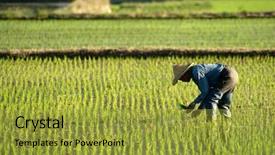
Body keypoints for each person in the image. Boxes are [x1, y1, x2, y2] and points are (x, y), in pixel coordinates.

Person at [172, 63, 239, 121]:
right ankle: (228, 123)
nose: (181, 80)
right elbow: (207, 94)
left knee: (212, 100)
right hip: (233, 74)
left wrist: (194, 103)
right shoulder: (196, 71)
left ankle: (211, 125)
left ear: (184, 73)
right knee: (223, 105)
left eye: (180, 78)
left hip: (226, 75)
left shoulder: (196, 71)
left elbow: (205, 92)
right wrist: (199, 110)